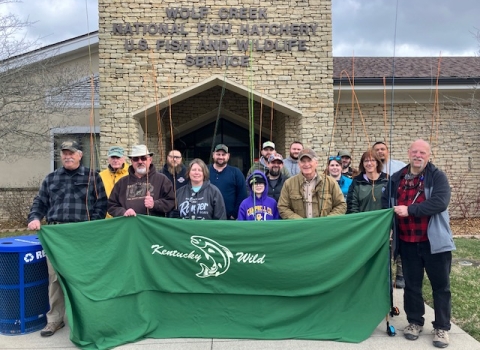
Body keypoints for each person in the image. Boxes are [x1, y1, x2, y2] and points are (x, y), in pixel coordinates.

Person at [27, 140, 107, 337]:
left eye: (71, 152)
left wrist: (91, 225)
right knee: (55, 278)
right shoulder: (51, 178)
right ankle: (54, 320)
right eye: (64, 153)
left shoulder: (92, 177)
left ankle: (87, 319)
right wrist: (35, 218)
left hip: (82, 233)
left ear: (80, 155)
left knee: (84, 277)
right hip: (56, 235)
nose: (67, 156)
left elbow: (102, 204)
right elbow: (40, 202)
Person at [382, 139, 455, 348]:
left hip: (435, 243)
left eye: (422, 152)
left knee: (441, 287)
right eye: (415, 151)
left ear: (428, 155)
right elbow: (387, 201)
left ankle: (441, 327)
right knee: (412, 286)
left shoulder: (437, 176)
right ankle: (414, 322)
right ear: (409, 153)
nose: (418, 155)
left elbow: (440, 202)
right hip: (407, 242)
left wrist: (410, 210)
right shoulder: (397, 178)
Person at [373, 141, 408, 288]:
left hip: (397, 208)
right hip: (381, 211)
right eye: (377, 150)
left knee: (399, 242)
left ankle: (401, 274)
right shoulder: (373, 166)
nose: (380, 152)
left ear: (387, 151)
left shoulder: (399, 165)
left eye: (383, 149)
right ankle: (383, 274)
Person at [108, 144, 175, 217]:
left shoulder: (162, 179)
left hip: (152, 226)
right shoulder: (122, 182)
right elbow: (111, 205)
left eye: (143, 158)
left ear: (150, 160)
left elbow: (171, 202)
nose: (140, 161)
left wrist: (154, 204)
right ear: (132, 161)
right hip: (129, 225)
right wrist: (123, 212)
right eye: (136, 159)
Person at [278, 148, 346, 219]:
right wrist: (300, 222)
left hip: (325, 228)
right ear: (299, 164)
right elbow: (283, 207)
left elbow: (341, 205)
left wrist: (327, 220)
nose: (306, 164)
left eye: (309, 160)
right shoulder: (289, 183)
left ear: (316, 163)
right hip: (300, 228)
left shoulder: (330, 182)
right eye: (303, 161)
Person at [208, 144, 248, 220]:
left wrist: (234, 214)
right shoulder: (205, 171)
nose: (221, 157)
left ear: (228, 156)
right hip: (208, 218)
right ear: (213, 155)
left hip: (229, 218)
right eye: (218, 154)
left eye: (223, 154)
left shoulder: (236, 172)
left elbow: (242, 195)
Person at [99, 146, 129, 218]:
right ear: (108, 159)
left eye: (118, 158)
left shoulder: (131, 173)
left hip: (126, 216)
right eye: (113, 158)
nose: (115, 160)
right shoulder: (101, 175)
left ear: (123, 159)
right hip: (106, 218)